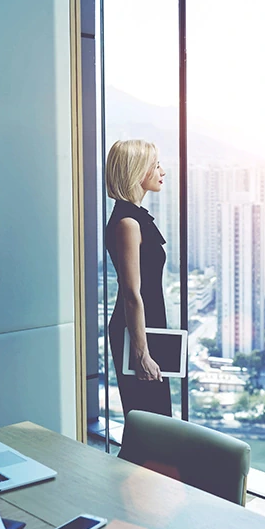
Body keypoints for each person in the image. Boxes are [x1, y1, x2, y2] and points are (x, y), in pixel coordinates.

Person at [105, 139, 171, 418]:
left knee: (158, 421)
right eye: (155, 165)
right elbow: (132, 294)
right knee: (149, 423)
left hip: (148, 327)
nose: (162, 171)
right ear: (137, 171)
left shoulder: (135, 218)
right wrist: (140, 353)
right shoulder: (127, 223)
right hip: (135, 333)